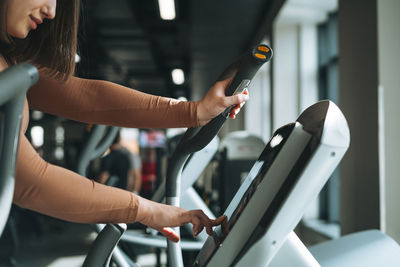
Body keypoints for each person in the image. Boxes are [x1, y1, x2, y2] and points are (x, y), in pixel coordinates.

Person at [0, 0, 248, 242]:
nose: (52, 11)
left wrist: (193, 112)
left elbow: (88, 97)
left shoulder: (8, 65)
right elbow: (28, 181)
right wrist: (146, 210)